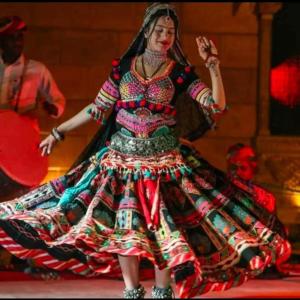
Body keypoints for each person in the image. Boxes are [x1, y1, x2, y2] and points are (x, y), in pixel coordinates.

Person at [0, 3, 291, 299]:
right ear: (146, 31)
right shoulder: (124, 69)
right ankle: (131, 291)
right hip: (121, 160)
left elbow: (217, 106)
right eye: (159, 30)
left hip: (164, 162)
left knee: (165, 225)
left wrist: (213, 66)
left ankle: (162, 291)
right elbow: (97, 108)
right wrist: (60, 132)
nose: (165, 36)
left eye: (170, 31)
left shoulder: (179, 73)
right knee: (126, 226)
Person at [0, 15, 66, 200]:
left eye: (20, 37)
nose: (17, 42)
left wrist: (52, 108)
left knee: (18, 191)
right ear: (2, 40)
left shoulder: (37, 69)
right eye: (12, 37)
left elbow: (58, 100)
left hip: (23, 140)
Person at [226, 143, 291, 278]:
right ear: (235, 162)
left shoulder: (260, 192)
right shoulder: (227, 187)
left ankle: (269, 264)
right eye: (249, 159)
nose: (254, 164)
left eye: (253, 159)